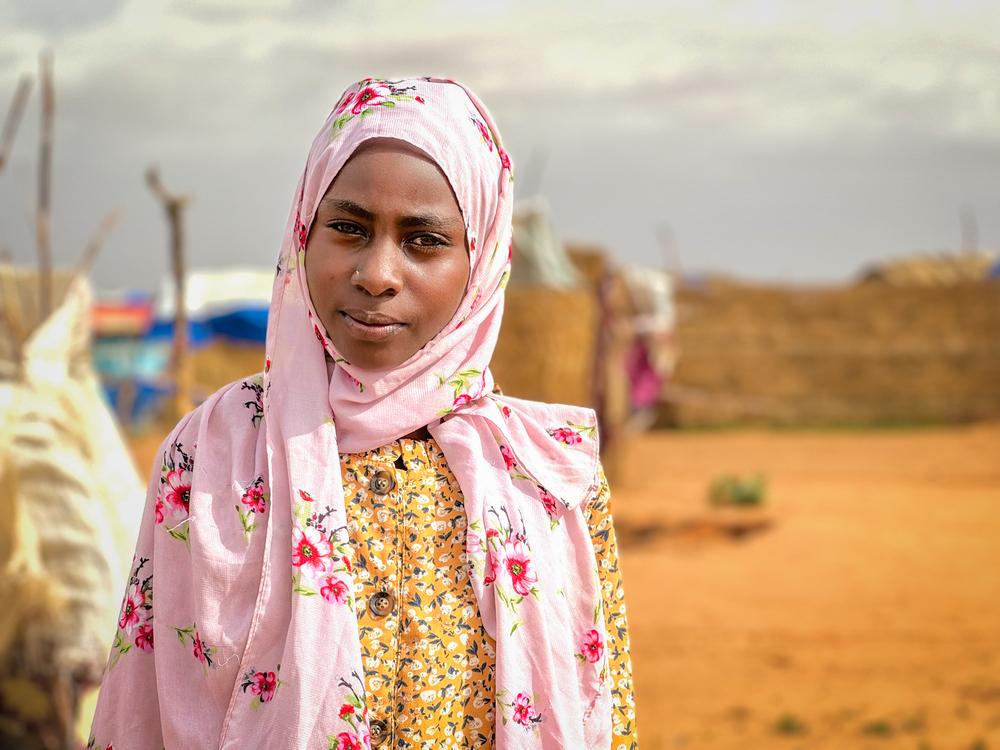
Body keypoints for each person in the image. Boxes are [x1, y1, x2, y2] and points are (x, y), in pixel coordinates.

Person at [89, 76, 637, 749]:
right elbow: (140, 708)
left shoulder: (544, 473)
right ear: (303, 234)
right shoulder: (211, 454)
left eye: (424, 240)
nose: (378, 272)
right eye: (348, 228)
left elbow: (604, 710)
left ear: (482, 260)